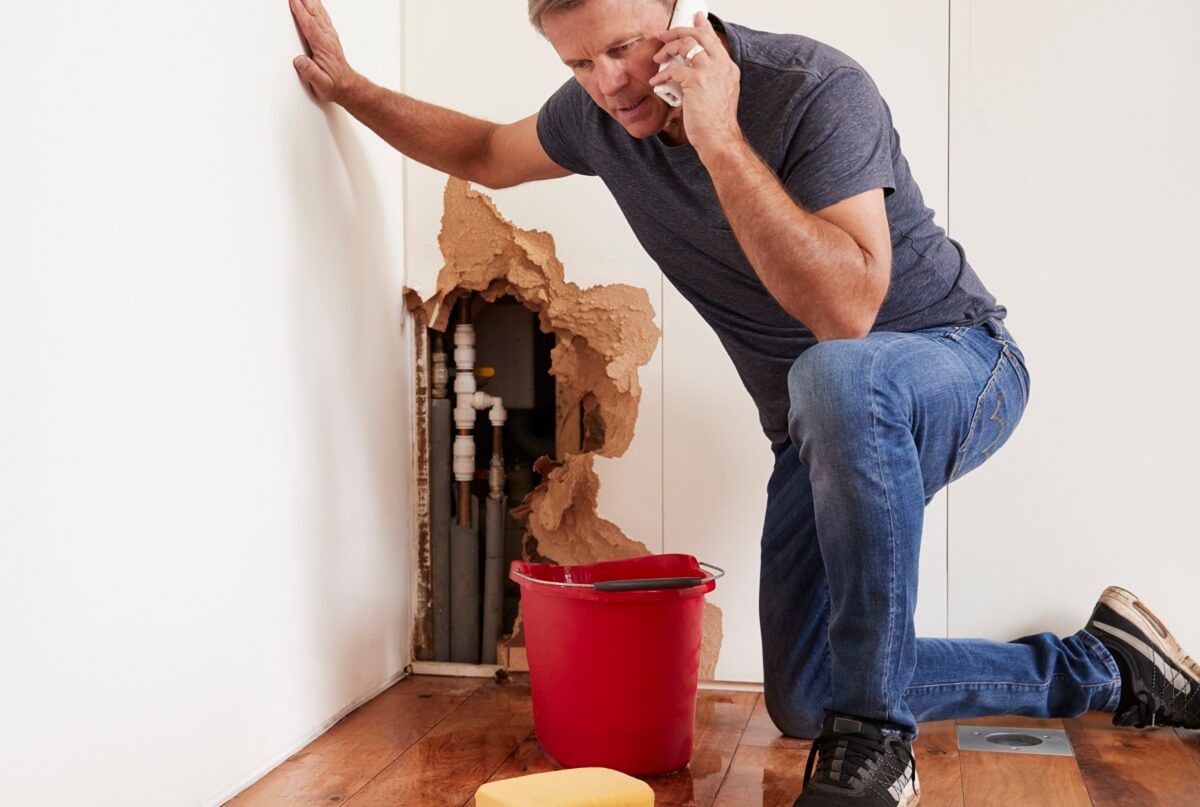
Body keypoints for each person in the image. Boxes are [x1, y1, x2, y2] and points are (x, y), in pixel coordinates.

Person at [289, 0, 1200, 804]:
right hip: (817, 421)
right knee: (806, 694)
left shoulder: (812, 89)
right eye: (577, 62)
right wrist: (353, 88)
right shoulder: (599, 117)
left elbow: (847, 313)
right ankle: (1107, 665)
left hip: (960, 363)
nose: (607, 84)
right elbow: (489, 151)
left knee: (833, 373)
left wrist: (719, 136)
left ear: (677, 11)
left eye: (626, 48)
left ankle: (878, 742)